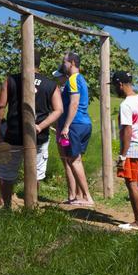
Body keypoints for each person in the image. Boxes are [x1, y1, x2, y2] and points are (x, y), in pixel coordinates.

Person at [0, 58, 63, 209]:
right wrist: (40, 126)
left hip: (13, 134)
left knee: (6, 174)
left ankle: (6, 206)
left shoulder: (11, 80)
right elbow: (59, 109)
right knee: (35, 174)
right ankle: (31, 206)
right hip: (39, 137)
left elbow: (0, 106)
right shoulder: (50, 85)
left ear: (22, 62)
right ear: (40, 64)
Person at [112, 71, 138, 230]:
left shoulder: (126, 105)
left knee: (132, 185)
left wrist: (123, 155)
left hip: (132, 149)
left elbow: (127, 131)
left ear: (120, 84)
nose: (115, 89)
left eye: (115, 86)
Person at [57, 52, 94, 208]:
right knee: (76, 160)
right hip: (84, 123)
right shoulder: (81, 79)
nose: (63, 64)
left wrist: (66, 126)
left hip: (75, 124)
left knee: (73, 160)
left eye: (64, 61)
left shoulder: (72, 79)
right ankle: (79, 195)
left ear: (71, 62)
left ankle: (87, 197)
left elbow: (74, 103)